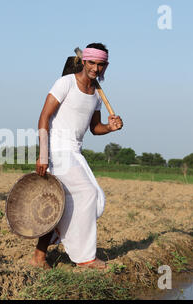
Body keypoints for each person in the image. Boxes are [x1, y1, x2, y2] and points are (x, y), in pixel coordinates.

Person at [31, 43, 123, 270]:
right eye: (92, 62)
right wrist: (43, 155)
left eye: (101, 64)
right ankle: (85, 258)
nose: (96, 68)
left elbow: (94, 128)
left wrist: (110, 128)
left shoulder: (96, 96)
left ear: (106, 66)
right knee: (88, 193)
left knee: (91, 201)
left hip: (75, 152)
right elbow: (43, 117)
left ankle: (39, 256)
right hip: (57, 151)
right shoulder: (65, 83)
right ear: (84, 62)